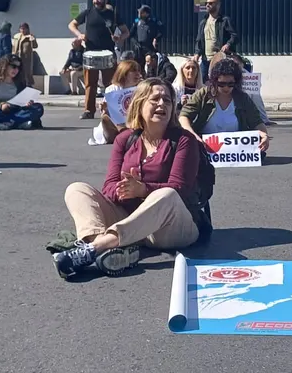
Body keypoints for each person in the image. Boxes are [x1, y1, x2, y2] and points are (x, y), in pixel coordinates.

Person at [53, 78, 207, 280]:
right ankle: (109, 250)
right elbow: (108, 186)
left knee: (167, 194)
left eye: (167, 100)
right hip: (131, 222)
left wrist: (142, 190)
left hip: (171, 227)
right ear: (140, 104)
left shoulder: (184, 140)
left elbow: (180, 189)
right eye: (155, 99)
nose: (162, 104)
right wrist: (123, 190)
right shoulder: (124, 139)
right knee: (77, 189)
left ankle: (95, 247)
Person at [179, 58, 270, 153]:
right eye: (221, 84)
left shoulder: (243, 98)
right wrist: (194, 136)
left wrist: (264, 135)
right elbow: (184, 116)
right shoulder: (203, 94)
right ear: (214, 81)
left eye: (230, 84)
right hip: (204, 146)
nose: (226, 88)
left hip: (236, 150)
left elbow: (256, 121)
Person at [69, 0, 129, 120]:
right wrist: (79, 35)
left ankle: (111, 110)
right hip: (90, 52)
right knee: (90, 83)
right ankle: (88, 111)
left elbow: (126, 32)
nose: (96, 0)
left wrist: (119, 38)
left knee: (110, 83)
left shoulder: (112, 14)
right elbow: (72, 24)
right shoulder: (87, 13)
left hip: (108, 53)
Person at [0, 55, 45, 130]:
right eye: (13, 66)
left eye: (18, 68)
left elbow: (24, 98)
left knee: (38, 108)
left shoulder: (20, 80)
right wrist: (1, 105)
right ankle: (18, 123)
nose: (16, 70)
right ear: (5, 66)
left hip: (17, 111)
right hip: (0, 111)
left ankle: (4, 123)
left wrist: (28, 103)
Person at [89, 60, 142, 146]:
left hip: (133, 124)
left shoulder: (141, 88)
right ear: (124, 73)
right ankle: (124, 133)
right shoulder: (112, 89)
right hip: (115, 127)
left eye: (138, 71)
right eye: (133, 71)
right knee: (105, 117)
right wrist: (104, 108)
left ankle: (126, 134)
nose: (137, 73)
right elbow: (106, 113)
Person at [195, 0, 237, 82]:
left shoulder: (225, 20)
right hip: (205, 59)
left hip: (220, 59)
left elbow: (235, 35)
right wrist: (197, 54)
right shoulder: (203, 22)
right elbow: (199, 40)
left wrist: (228, 44)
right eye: (206, 3)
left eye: (210, 3)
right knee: (202, 82)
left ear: (218, 5)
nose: (207, 5)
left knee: (219, 82)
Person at [12, 23, 39, 88]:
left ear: (27, 29)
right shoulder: (17, 37)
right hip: (18, 57)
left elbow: (35, 46)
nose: (22, 30)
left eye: (24, 29)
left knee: (27, 73)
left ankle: (29, 86)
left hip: (26, 58)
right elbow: (14, 47)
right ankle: (19, 85)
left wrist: (33, 39)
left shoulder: (30, 37)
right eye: (21, 29)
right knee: (18, 71)